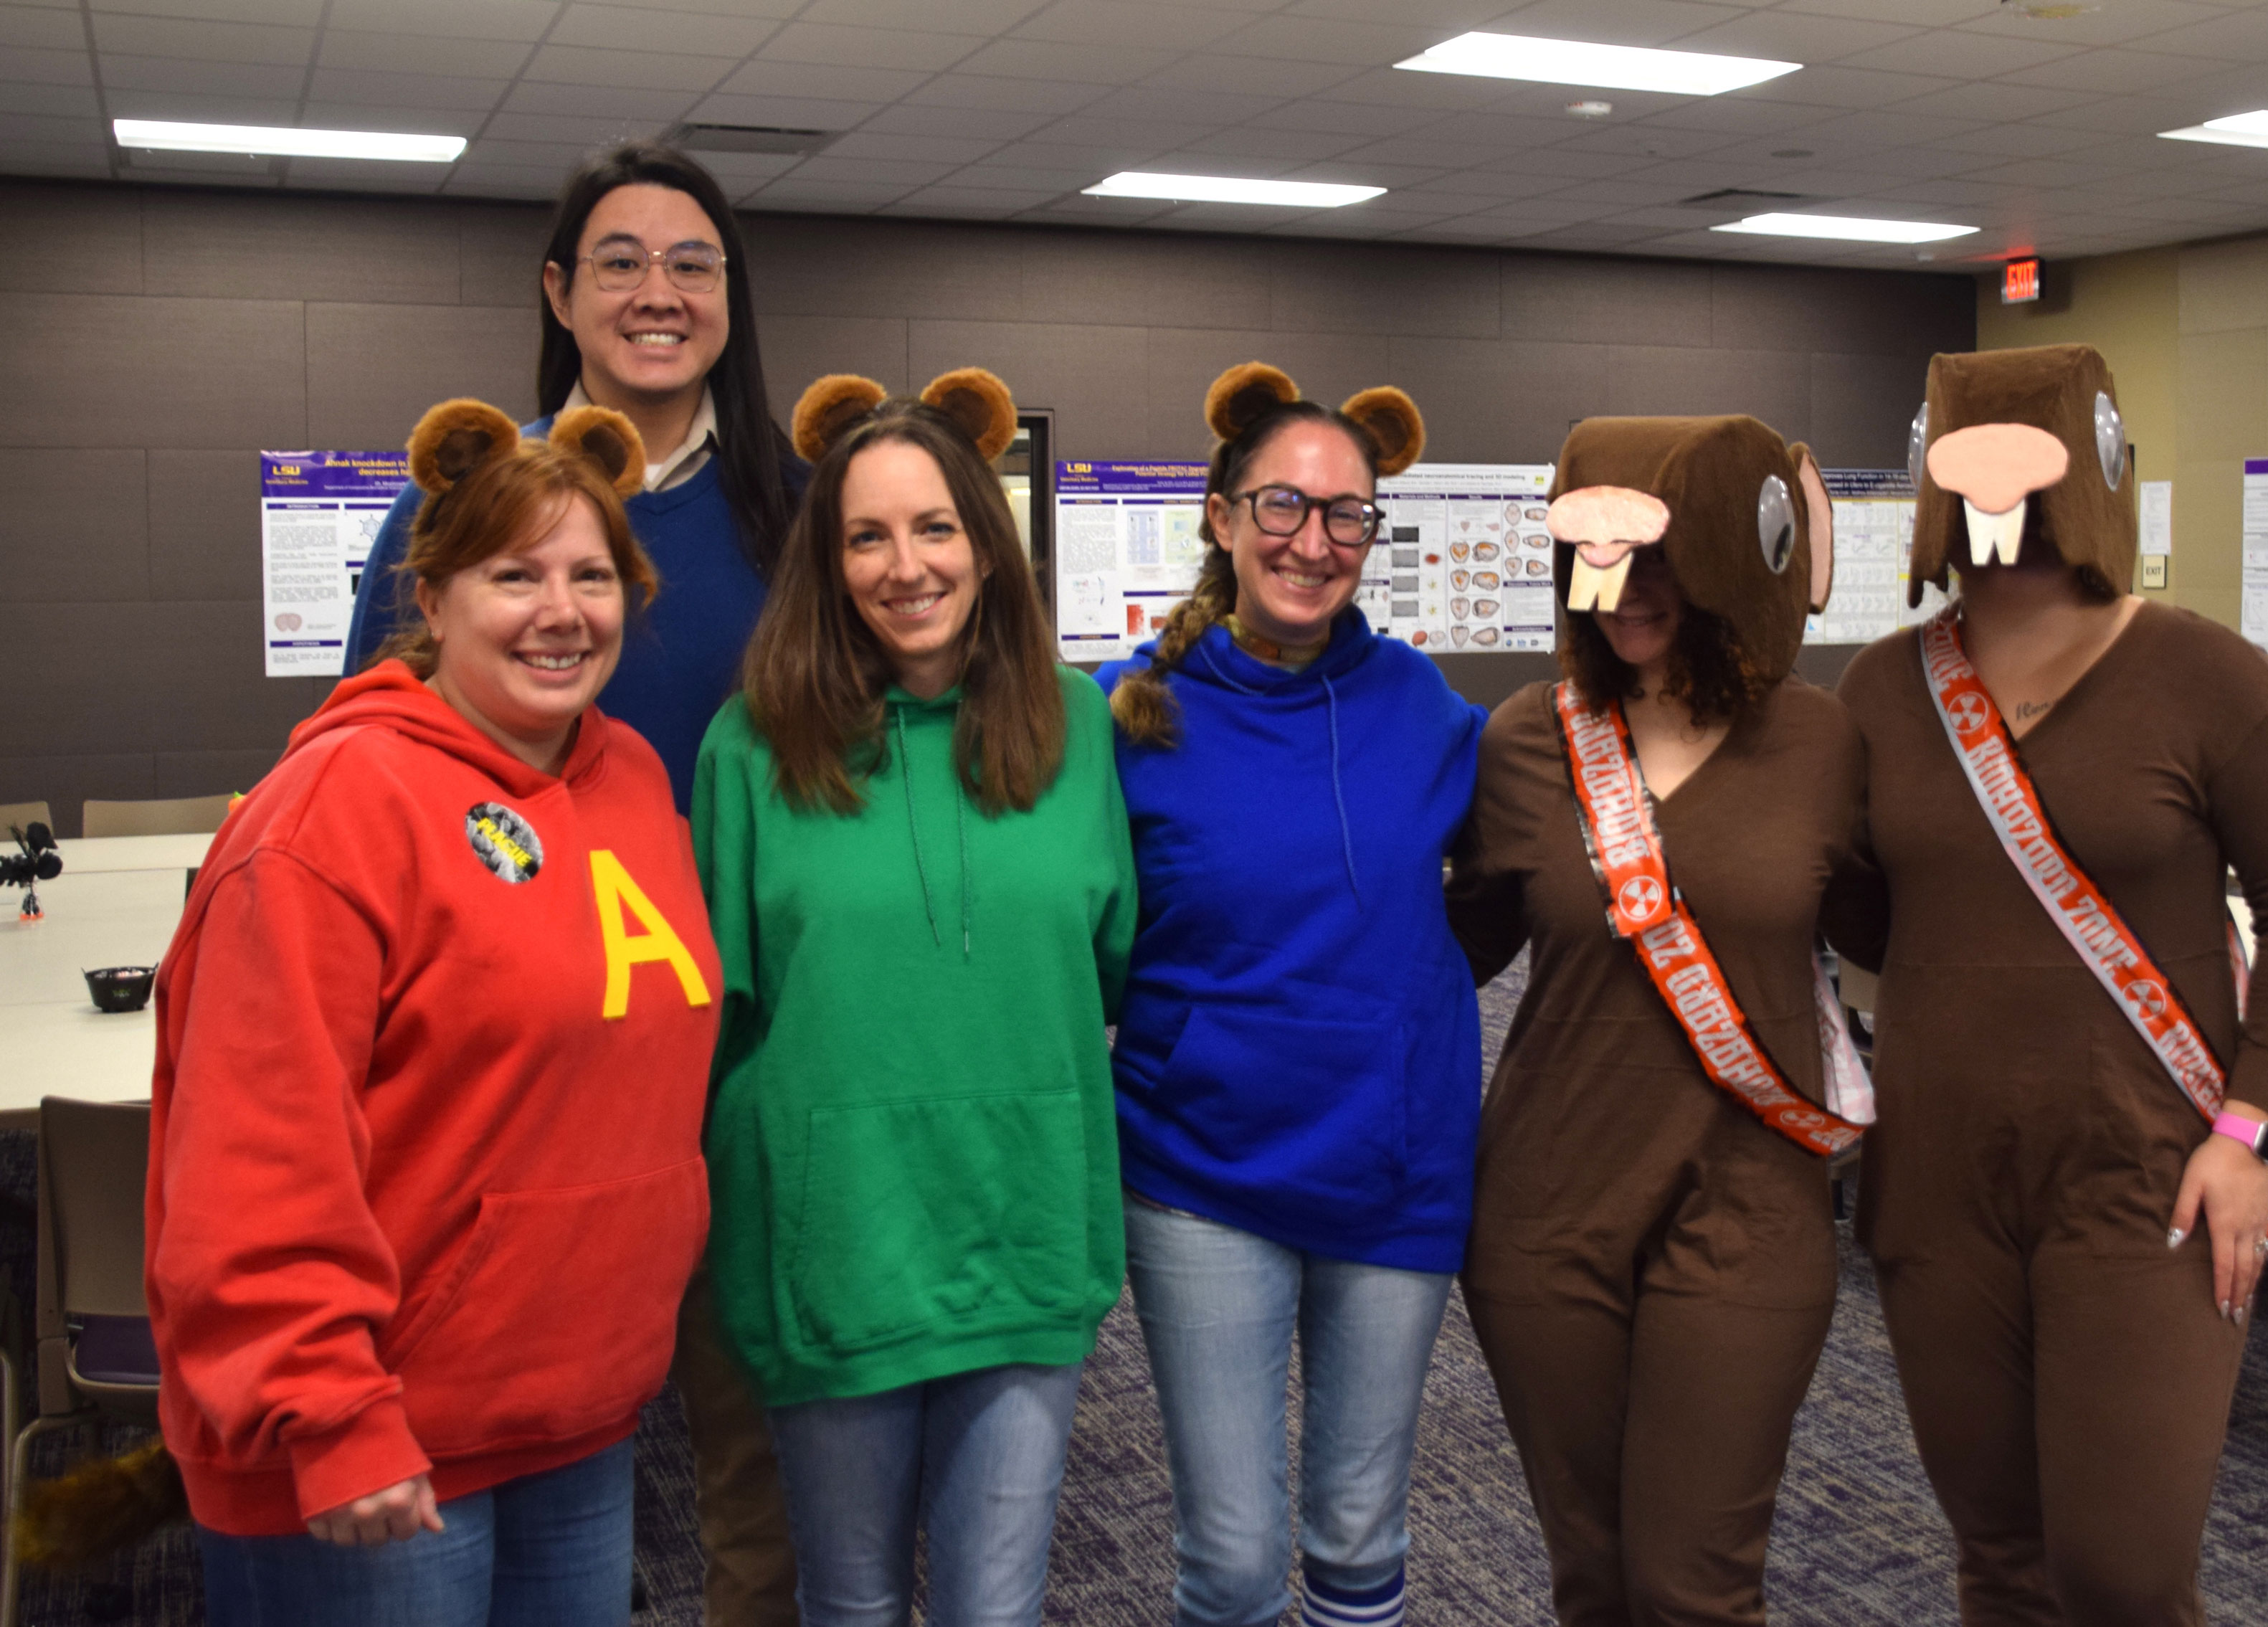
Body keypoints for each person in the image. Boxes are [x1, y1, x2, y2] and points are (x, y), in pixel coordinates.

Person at [147, 400, 721, 1626]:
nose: (562, 611)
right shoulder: (332, 811)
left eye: (593, 574)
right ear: (437, 591)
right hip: (371, 1434)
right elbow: (251, 1148)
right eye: (515, 574)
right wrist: (328, 1407)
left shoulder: (627, 778)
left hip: (575, 1406)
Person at [343, 140, 810, 1625]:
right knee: (517, 1448)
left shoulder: (796, 516)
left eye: (692, 263)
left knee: (754, 1457)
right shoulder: (466, 509)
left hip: (740, 1053)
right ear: (559, 290)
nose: (656, 293)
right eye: (619, 259)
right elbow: (375, 784)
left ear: (731, 300)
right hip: (517, 1071)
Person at [1828, 343, 2268, 1625]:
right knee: (2001, 1561)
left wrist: (2249, 1125)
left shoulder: (2209, 676)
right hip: (1940, 1184)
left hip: (2153, 1183)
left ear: (2097, 472)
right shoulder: (1884, 690)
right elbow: (1871, 918)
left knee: (2122, 1576)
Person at [694, 367, 1135, 1627]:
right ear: (827, 566)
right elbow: (721, 1012)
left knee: (996, 1608)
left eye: (936, 526)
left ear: (988, 548)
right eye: (867, 536)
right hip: (838, 1246)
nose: (907, 565)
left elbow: (1104, 958)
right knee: (852, 1601)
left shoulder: (1075, 726)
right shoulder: (750, 744)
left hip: (1028, 1222)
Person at [1446, 415, 1868, 1626]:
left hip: (1750, 1211)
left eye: (1665, 563)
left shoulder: (1824, 739)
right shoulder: (1528, 735)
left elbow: (1920, 934)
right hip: (1545, 1212)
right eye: (1604, 564)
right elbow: (1457, 949)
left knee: (1694, 1583)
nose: (1627, 595)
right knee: (1595, 1577)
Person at [1100, 363, 1481, 1627]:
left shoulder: (1421, 706)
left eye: (1347, 515)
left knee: (1362, 1530)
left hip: (1396, 1163)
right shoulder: (1125, 716)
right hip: (1204, 1172)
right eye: (1281, 507)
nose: (1313, 544)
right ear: (1219, 515)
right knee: (1231, 1553)